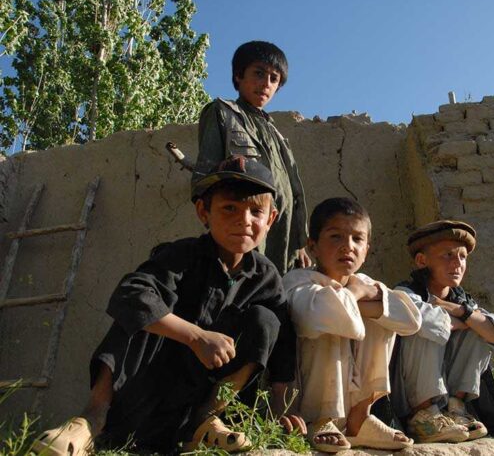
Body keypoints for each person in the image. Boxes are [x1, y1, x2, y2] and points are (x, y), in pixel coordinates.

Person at [32, 156, 305, 455]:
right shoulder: (181, 255)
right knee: (142, 303)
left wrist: (280, 407)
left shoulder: (266, 277)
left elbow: (282, 345)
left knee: (267, 320)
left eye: (256, 211)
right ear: (204, 211)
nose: (245, 220)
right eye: (230, 208)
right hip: (147, 396)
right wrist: (195, 336)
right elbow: (130, 294)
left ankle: (206, 421)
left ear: (271, 219)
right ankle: (91, 421)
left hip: (203, 399)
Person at [282, 198, 422, 452]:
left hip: (351, 402)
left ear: (367, 248)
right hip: (305, 400)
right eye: (336, 237)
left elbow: (411, 320)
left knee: (382, 317)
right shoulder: (297, 281)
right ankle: (321, 419)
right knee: (332, 320)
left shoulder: (363, 282)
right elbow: (324, 316)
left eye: (357, 239)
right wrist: (357, 295)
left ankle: (359, 418)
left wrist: (363, 295)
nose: (348, 247)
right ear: (312, 247)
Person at [391, 220, 494, 443]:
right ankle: (424, 416)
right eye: (447, 255)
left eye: (462, 257)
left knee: (480, 330)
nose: (457, 264)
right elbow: (427, 322)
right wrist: (467, 319)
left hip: (448, 402)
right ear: (422, 261)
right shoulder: (404, 293)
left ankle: (456, 410)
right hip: (407, 396)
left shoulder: (462, 302)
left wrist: (461, 311)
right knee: (429, 327)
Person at [193, 40, 309, 274]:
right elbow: (204, 179)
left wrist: (300, 243)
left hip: (281, 234)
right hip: (245, 227)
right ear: (238, 76)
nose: (265, 84)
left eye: (274, 79)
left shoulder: (276, 134)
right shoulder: (222, 113)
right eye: (258, 73)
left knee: (277, 295)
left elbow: (292, 193)